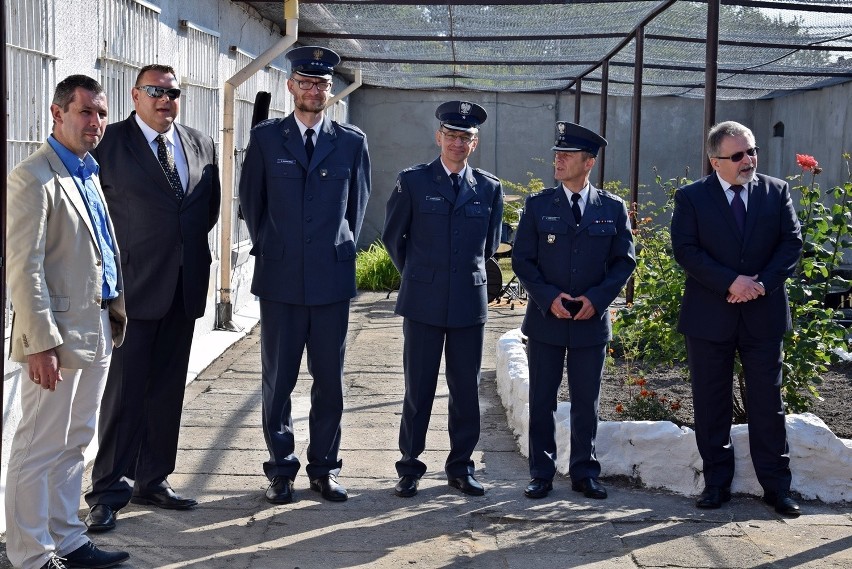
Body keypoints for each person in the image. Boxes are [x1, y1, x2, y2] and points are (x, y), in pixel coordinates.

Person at [84, 64, 221, 531]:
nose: (165, 100)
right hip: (132, 290)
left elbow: (206, 209)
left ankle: (153, 479)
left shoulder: (200, 142)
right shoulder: (109, 143)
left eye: (172, 92)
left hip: (183, 289)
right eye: (155, 91)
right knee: (124, 395)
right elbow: (93, 215)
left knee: (166, 391)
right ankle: (107, 490)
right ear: (135, 95)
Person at [5, 74, 130, 569]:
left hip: (96, 323)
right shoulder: (33, 177)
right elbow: (25, 267)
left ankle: (67, 537)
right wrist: (39, 344)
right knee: (38, 445)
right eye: (86, 112)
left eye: (101, 113)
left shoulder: (87, 170)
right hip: (53, 341)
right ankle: (30, 555)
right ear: (57, 114)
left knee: (76, 440)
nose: (96, 121)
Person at [238, 45, 371, 504]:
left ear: (329, 91)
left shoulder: (351, 141)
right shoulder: (267, 139)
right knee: (278, 380)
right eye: (305, 82)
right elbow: (251, 205)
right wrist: (277, 247)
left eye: (321, 84)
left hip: (330, 282)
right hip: (280, 281)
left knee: (330, 379)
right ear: (291, 86)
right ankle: (280, 469)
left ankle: (324, 469)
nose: (313, 90)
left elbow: (356, 209)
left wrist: (335, 248)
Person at [670, 121, 803, 517]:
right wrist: (732, 281)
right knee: (711, 403)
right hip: (710, 316)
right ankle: (716, 484)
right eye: (739, 155)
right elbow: (686, 250)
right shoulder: (692, 198)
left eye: (752, 151)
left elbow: (791, 243)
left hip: (763, 315)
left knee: (768, 402)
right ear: (715, 162)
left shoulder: (776, 191)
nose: (750, 160)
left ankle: (777, 488)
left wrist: (758, 284)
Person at [382, 101, 503, 498]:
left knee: (465, 388)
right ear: (438, 137)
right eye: (450, 134)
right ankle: (410, 466)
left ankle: (460, 466)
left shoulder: (488, 187)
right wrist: (420, 275)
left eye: (465, 136)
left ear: (475, 142)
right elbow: (393, 237)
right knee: (418, 387)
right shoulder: (413, 181)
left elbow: (487, 246)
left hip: (469, 301)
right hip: (423, 301)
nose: (457, 142)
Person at [512, 121, 635, 500]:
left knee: (586, 402)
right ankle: (541, 473)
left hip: (589, 322)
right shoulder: (537, 205)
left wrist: (596, 301)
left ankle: (584, 472)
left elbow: (623, 262)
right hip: (547, 320)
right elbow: (522, 260)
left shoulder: (612, 209)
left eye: (566, 155)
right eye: (557, 154)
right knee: (542, 401)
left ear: (589, 163)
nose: (558, 161)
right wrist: (548, 297)